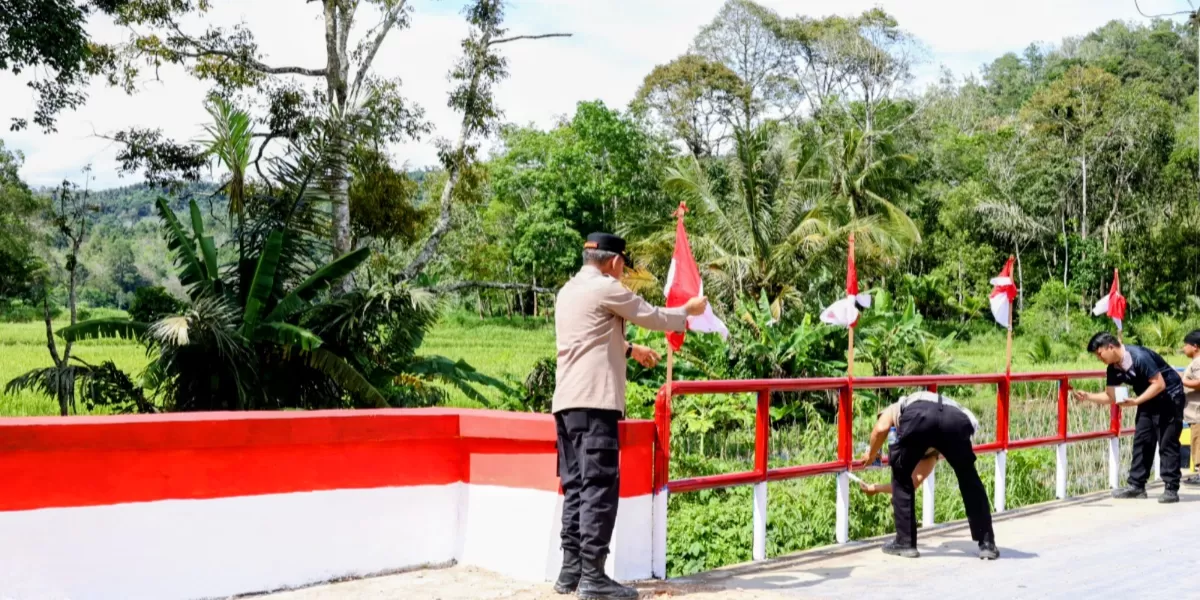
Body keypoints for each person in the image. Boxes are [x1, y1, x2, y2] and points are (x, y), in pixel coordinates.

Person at [551, 232, 708, 599]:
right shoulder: (606, 287)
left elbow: (589, 337)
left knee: (576, 486)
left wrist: (630, 348)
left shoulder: (568, 290)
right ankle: (593, 577)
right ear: (615, 262)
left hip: (566, 405)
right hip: (595, 404)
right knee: (599, 488)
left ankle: (571, 571)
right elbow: (651, 315)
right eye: (623, 266)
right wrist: (688, 312)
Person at [861, 391, 999, 560]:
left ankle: (905, 543)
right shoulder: (933, 451)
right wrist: (875, 488)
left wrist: (871, 454)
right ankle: (987, 543)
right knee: (969, 478)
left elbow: (881, 428)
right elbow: (914, 482)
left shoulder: (895, 408)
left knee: (901, 473)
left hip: (920, 416)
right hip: (955, 421)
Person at [1073, 332, 1186, 503]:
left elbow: (1159, 384)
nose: (1099, 358)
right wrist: (1088, 396)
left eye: (1099, 353)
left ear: (1110, 347)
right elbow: (1110, 396)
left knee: (1167, 441)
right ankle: (1136, 486)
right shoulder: (1113, 368)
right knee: (1142, 439)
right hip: (1147, 398)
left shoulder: (1139, 357)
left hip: (1169, 396)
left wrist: (1136, 401)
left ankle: (1171, 488)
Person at [1179, 330, 1200, 485]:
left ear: (1195, 346)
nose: (1183, 348)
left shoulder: (1198, 362)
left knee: (1198, 442)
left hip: (1198, 412)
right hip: (1195, 413)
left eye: (1186, 345)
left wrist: (1181, 380)